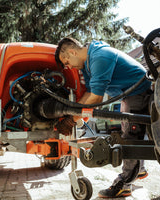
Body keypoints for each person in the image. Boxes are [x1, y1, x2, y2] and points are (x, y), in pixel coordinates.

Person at [54, 37, 151, 198]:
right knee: (132, 136)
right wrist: (72, 114)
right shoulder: (88, 63)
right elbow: (88, 94)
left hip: (138, 92)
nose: (68, 66)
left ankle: (124, 184)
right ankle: (138, 170)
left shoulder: (99, 57)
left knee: (130, 139)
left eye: (67, 61)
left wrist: (72, 119)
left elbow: (96, 98)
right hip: (128, 94)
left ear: (72, 51)